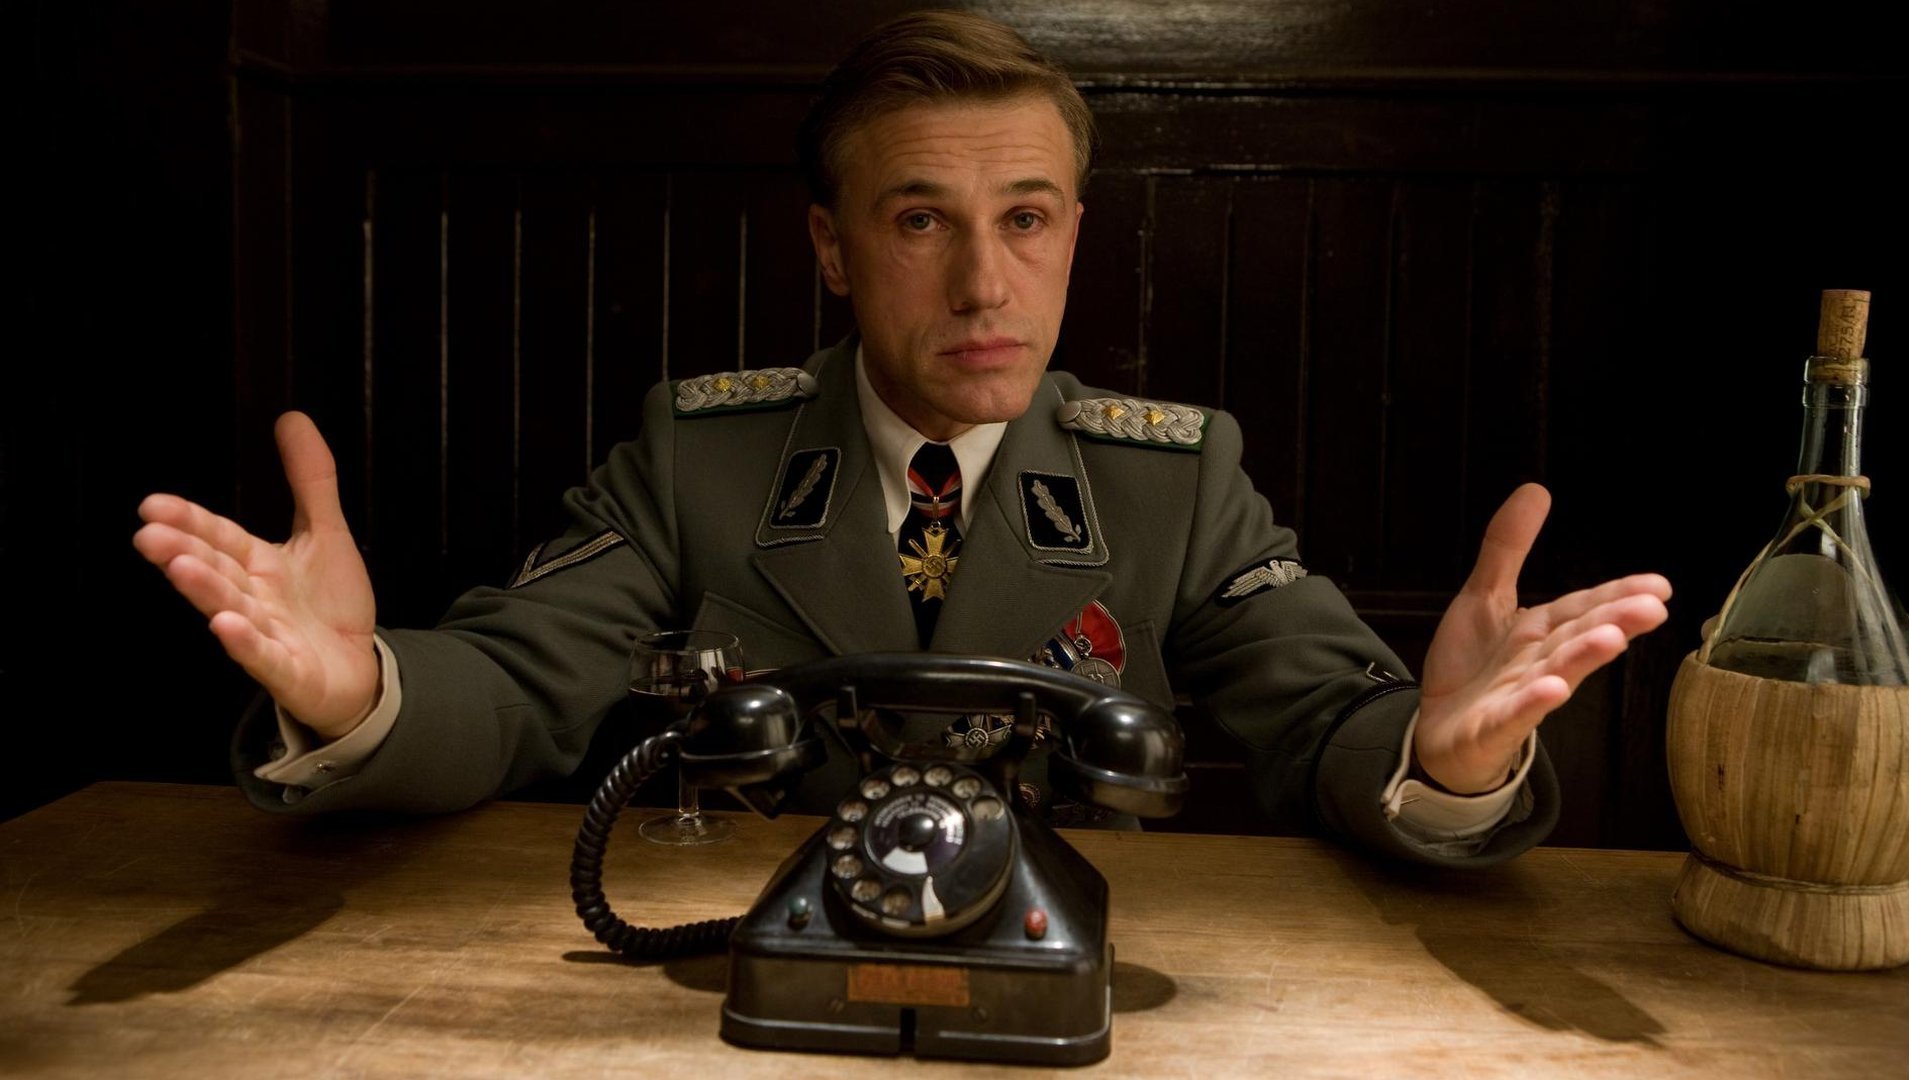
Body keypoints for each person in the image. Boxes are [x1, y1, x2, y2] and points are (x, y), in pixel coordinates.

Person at [132, 12, 1668, 865]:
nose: (986, 285)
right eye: (922, 220)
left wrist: (1442, 762)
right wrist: (362, 693)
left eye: (1027, 219)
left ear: (1076, 234)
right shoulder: (700, 455)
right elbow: (517, 684)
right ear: (833, 247)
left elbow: (1332, 716)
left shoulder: (1172, 475)